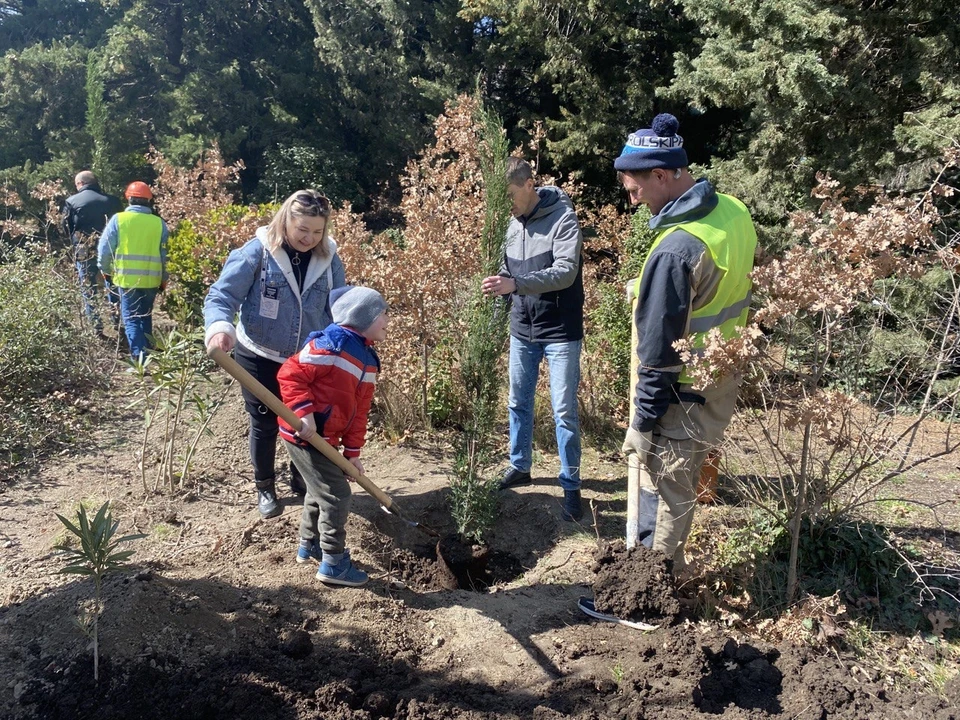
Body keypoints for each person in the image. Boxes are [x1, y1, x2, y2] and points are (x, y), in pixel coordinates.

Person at [616, 113, 757, 573]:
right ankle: (658, 577)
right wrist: (652, 290)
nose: (631, 198)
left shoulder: (676, 250)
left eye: (635, 188)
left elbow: (657, 359)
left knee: (666, 491)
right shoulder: (733, 211)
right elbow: (722, 289)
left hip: (683, 392)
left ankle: (648, 591)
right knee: (685, 484)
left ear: (661, 175)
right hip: (721, 379)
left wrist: (642, 422)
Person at [204, 189, 346, 519]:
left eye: (317, 231)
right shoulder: (257, 253)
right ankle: (265, 486)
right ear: (286, 221)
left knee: (308, 423)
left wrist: (343, 342)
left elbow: (338, 308)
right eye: (302, 230)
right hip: (259, 354)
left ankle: (302, 477)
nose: (309, 238)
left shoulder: (329, 260)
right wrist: (220, 327)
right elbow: (221, 297)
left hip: (306, 360)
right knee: (265, 423)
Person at [481, 157, 586, 521]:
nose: (506, 204)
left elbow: (565, 272)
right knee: (517, 402)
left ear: (529, 185)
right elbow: (504, 275)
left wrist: (517, 284)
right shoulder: (509, 226)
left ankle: (571, 485)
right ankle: (520, 466)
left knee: (563, 411)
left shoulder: (563, 219)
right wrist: (497, 314)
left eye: (509, 195)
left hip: (560, 329)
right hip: (521, 329)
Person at [277, 285, 388, 587]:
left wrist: (352, 453)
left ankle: (309, 545)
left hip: (327, 440)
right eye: (382, 315)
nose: (386, 321)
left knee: (319, 489)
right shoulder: (332, 345)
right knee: (338, 495)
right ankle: (334, 562)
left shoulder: (367, 358)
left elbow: (359, 412)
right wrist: (303, 412)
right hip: (304, 435)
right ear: (362, 317)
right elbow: (290, 373)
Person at [98, 181, 169, 361]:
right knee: (145, 316)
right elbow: (165, 255)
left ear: (128, 199)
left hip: (127, 280)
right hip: (152, 280)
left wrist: (105, 271)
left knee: (131, 318)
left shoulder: (119, 220)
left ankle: (139, 358)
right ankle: (147, 354)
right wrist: (164, 279)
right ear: (149, 201)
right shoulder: (159, 224)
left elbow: (105, 250)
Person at [62, 171, 123, 331]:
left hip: (84, 248)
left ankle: (96, 327)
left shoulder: (71, 202)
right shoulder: (113, 201)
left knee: (88, 287)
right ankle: (117, 321)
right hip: (111, 248)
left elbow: (65, 228)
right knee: (113, 284)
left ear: (80, 184)